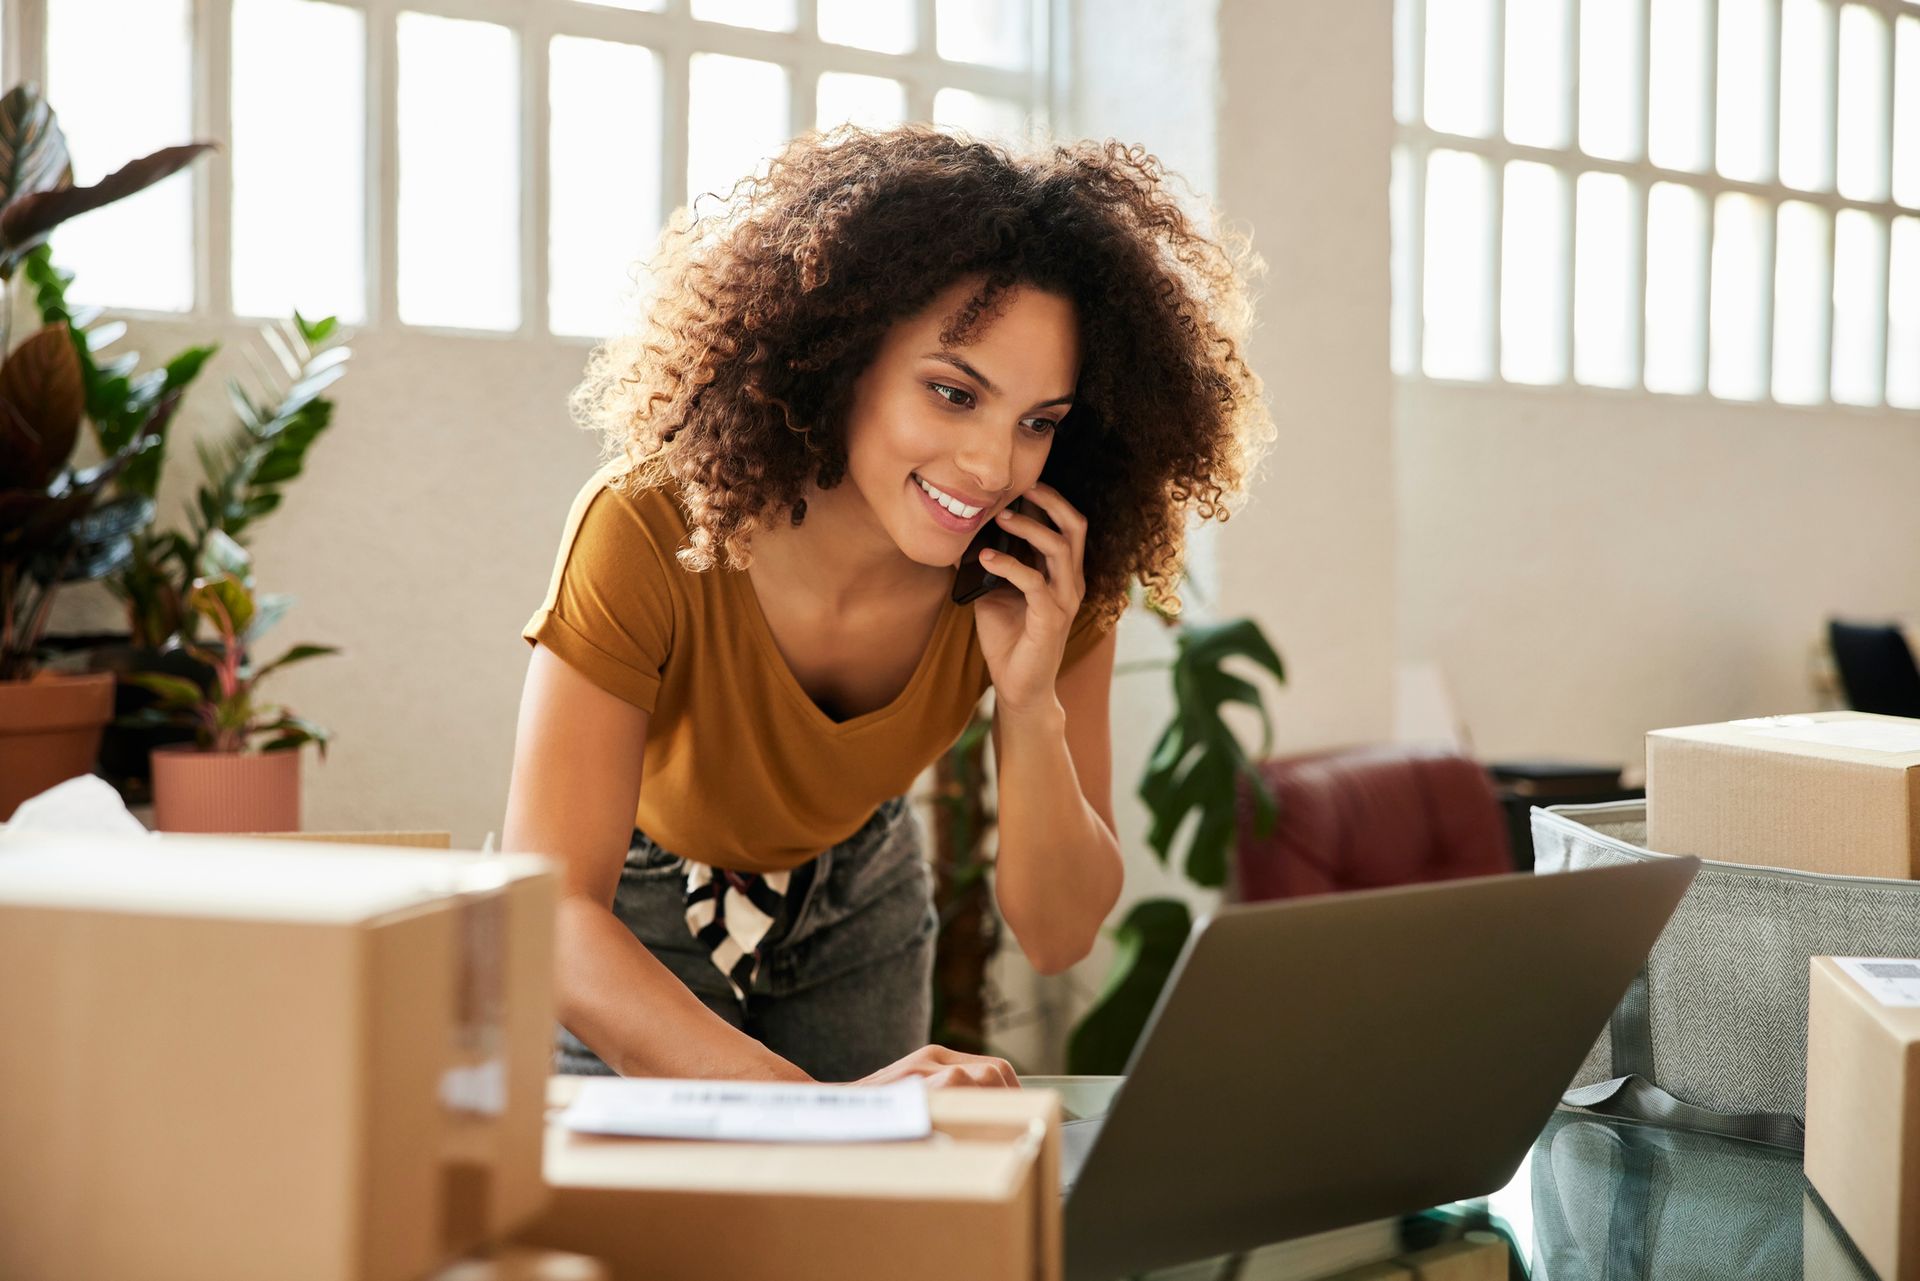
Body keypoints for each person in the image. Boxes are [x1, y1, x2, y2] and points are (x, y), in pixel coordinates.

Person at [503, 123, 1273, 1087]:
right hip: (629, 912)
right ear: (841, 354)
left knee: (847, 1236)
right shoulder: (651, 525)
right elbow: (555, 909)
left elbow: (1060, 932)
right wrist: (822, 1111)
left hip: (858, 891)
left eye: (1038, 422)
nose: (993, 465)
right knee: (646, 1230)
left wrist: (1030, 702)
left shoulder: (1044, 567)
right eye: (954, 393)